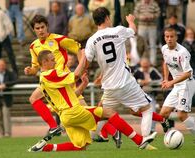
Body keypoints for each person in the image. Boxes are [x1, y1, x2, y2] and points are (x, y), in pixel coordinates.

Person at [28, 50, 157, 152]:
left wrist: (83, 85)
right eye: (52, 60)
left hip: (65, 116)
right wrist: (84, 55)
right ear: (44, 62)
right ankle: (140, 141)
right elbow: (76, 74)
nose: (55, 62)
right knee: (110, 113)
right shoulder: (50, 74)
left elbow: (71, 94)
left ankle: (46, 148)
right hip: (73, 111)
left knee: (80, 147)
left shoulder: (44, 79)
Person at [83, 7, 171, 141]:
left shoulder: (91, 40)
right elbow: (133, 30)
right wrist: (130, 21)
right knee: (146, 109)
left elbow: (86, 63)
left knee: (104, 113)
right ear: (107, 18)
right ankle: (145, 138)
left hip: (109, 85)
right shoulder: (118, 30)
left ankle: (91, 136)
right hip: (125, 82)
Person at [24, 14, 82, 136]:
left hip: (62, 79)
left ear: (47, 27)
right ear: (34, 30)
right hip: (49, 81)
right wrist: (31, 70)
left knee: (81, 108)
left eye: (42, 27)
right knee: (34, 98)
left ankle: (110, 128)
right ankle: (54, 127)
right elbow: (35, 67)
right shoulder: (33, 46)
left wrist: (80, 67)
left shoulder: (58, 39)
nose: (40, 30)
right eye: (37, 28)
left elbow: (78, 48)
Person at [160, 28, 195, 136]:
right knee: (163, 114)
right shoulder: (164, 48)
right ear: (164, 37)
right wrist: (166, 78)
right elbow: (165, 63)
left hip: (187, 84)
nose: (169, 39)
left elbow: (188, 73)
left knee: (181, 115)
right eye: (167, 36)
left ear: (176, 37)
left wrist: (171, 82)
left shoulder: (182, 52)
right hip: (176, 84)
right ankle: (171, 136)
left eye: (171, 36)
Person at [133, 58, 163, 132]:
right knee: (143, 112)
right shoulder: (138, 71)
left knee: (153, 111)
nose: (145, 68)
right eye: (144, 66)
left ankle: (152, 129)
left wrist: (150, 82)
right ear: (141, 65)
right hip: (141, 95)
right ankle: (145, 129)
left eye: (146, 66)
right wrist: (140, 82)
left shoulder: (153, 71)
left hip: (151, 94)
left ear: (149, 65)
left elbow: (160, 80)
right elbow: (132, 81)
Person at [134, 0, 160, 65]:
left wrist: (152, 16)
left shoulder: (154, 4)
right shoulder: (139, 4)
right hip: (142, 26)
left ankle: (153, 62)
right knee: (140, 45)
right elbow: (135, 13)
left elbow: (158, 12)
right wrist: (141, 17)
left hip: (152, 27)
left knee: (152, 45)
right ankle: (141, 62)